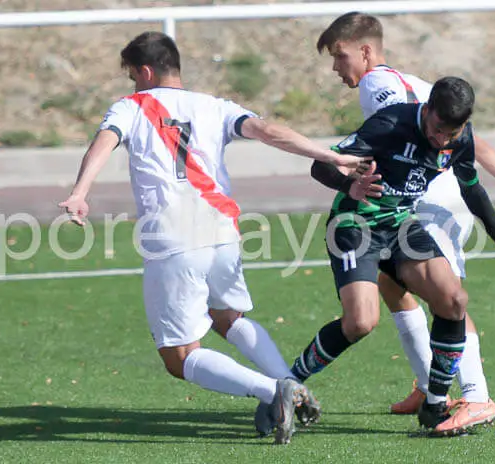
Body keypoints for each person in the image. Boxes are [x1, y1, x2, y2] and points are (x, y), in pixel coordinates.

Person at [58, 31, 367, 444]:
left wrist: (80, 192)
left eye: (133, 76)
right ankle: (292, 383)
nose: (133, 85)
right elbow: (267, 129)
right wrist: (331, 155)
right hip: (223, 233)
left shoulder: (131, 107)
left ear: (145, 71)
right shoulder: (215, 106)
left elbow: (103, 143)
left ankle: (275, 390)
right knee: (229, 317)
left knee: (180, 357)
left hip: (172, 239)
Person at [310, 11, 495, 429]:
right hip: (437, 194)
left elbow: (408, 143)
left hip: (429, 198)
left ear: (365, 50)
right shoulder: (421, 85)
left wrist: (354, 179)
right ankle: (433, 384)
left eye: (340, 56)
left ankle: (476, 396)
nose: (337, 67)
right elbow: (470, 140)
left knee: (447, 297)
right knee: (393, 284)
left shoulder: (377, 86)